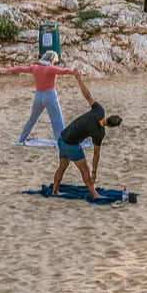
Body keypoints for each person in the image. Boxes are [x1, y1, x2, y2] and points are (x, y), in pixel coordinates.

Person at [51, 73, 122, 201]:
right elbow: (96, 155)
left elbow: (87, 95)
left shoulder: (99, 110)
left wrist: (78, 78)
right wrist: (94, 172)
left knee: (62, 166)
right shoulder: (99, 133)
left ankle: (55, 190)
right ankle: (94, 194)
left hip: (62, 138)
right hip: (71, 145)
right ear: (112, 126)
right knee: (85, 169)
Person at [7, 51, 78, 144]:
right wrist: (75, 72)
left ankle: (21, 140)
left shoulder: (35, 68)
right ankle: (61, 142)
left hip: (38, 96)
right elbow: (64, 71)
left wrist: (8, 69)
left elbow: (21, 68)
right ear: (52, 60)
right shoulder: (51, 69)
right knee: (57, 121)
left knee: (32, 120)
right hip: (50, 95)